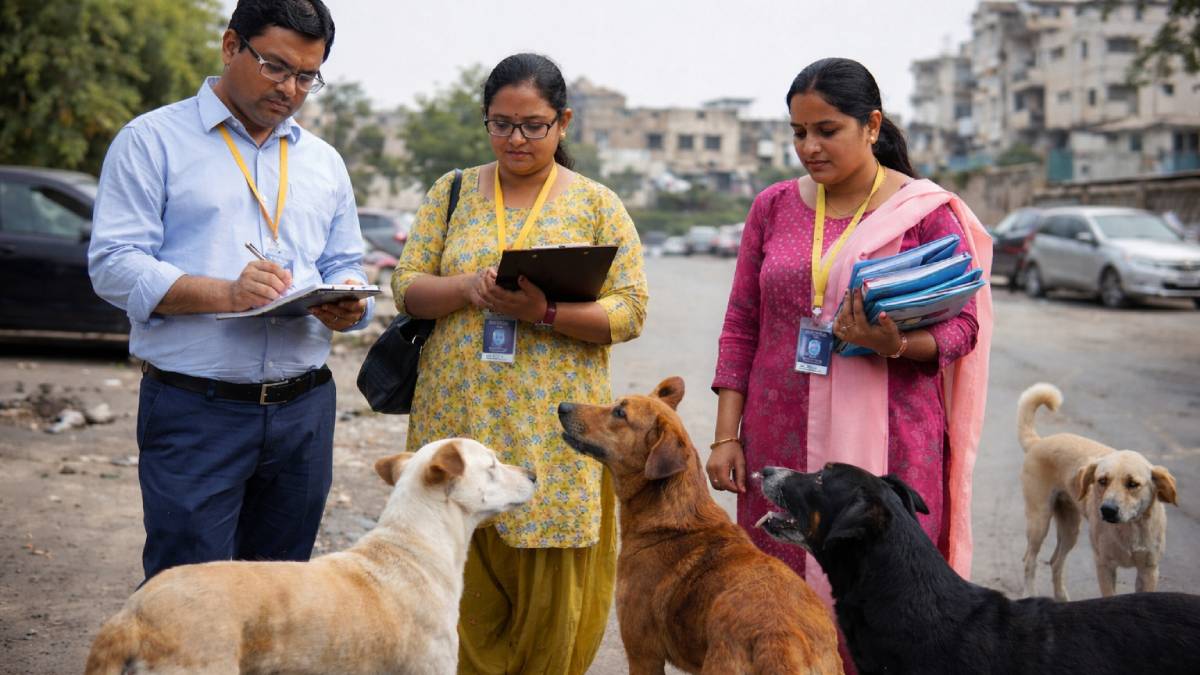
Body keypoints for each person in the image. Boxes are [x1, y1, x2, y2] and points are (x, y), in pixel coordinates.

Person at [88, 0, 371, 582]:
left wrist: (347, 301)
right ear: (230, 46)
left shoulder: (324, 162)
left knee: (277, 603)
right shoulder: (152, 141)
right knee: (188, 600)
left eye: (307, 76)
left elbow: (343, 261)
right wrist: (226, 295)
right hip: (197, 410)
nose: (290, 89)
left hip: (304, 412)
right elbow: (113, 265)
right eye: (275, 67)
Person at [392, 53, 648, 675]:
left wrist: (546, 311)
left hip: (552, 435)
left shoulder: (597, 205)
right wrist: (466, 290)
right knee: (456, 592)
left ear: (563, 123)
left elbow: (631, 311)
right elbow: (406, 286)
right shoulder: (451, 192)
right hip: (457, 421)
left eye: (533, 125)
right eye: (501, 124)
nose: (516, 139)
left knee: (549, 605)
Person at [707, 57, 993, 593]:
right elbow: (742, 323)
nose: (809, 146)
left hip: (889, 447)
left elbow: (964, 330)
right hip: (780, 436)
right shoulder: (772, 206)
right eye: (799, 132)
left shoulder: (922, 212)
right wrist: (727, 435)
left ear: (873, 126)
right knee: (776, 599)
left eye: (827, 130)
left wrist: (899, 343)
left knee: (884, 598)